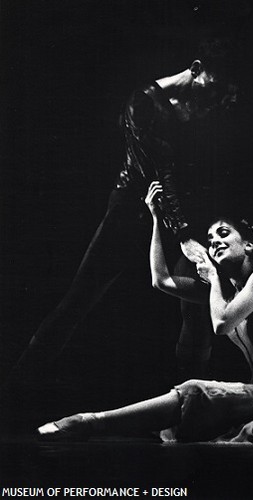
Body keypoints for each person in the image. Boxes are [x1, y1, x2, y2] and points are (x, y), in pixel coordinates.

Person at [1, 38, 239, 408]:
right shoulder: (142, 103)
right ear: (195, 68)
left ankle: (190, 409)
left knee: (196, 309)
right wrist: (183, 237)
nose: (217, 92)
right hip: (133, 213)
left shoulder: (203, 102)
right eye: (214, 82)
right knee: (78, 301)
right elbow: (162, 175)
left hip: (185, 216)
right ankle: (13, 393)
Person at [37, 181, 253, 443]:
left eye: (224, 234)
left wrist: (211, 277)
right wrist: (156, 220)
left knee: (195, 391)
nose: (215, 243)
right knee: (181, 428)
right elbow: (160, 280)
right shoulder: (221, 292)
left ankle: (88, 422)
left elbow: (221, 322)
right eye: (210, 241)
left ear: (249, 244)